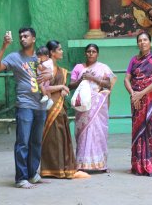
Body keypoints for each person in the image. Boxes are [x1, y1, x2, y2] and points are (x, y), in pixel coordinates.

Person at [0, 27, 51, 189]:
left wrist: (50, 75)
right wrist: (4, 47)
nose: (22, 38)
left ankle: (32, 174)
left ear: (33, 39)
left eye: (26, 36)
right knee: (22, 142)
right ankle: (21, 178)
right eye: (21, 36)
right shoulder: (14, 57)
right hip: (25, 104)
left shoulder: (40, 57)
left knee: (36, 142)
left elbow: (51, 73)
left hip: (40, 105)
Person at [124, 31, 152, 176]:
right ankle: (139, 165)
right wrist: (133, 95)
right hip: (136, 102)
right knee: (138, 131)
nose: (142, 42)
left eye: (145, 40)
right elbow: (126, 79)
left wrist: (141, 94)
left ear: (151, 42)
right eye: (139, 40)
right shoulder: (133, 60)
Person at [69, 44, 117, 172]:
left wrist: (93, 78)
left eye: (93, 51)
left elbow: (108, 83)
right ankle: (82, 164)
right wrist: (81, 80)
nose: (91, 53)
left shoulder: (103, 68)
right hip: (83, 106)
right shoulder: (79, 67)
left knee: (97, 133)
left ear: (97, 54)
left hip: (98, 106)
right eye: (88, 51)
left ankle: (100, 164)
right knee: (83, 134)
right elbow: (71, 85)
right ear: (85, 53)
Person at [40, 40, 79, 179]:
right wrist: (61, 87)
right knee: (53, 137)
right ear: (52, 52)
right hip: (51, 106)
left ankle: (63, 167)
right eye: (59, 49)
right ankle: (51, 168)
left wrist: (63, 90)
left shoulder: (59, 68)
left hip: (59, 105)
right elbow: (44, 88)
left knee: (61, 136)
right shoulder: (46, 66)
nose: (62, 51)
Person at [36, 46, 54, 110]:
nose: (39, 58)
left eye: (40, 56)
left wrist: (37, 63)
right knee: (46, 88)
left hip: (45, 76)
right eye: (38, 56)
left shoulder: (48, 62)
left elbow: (41, 68)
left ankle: (45, 96)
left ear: (47, 56)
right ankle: (50, 100)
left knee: (41, 85)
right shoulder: (45, 61)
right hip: (45, 76)